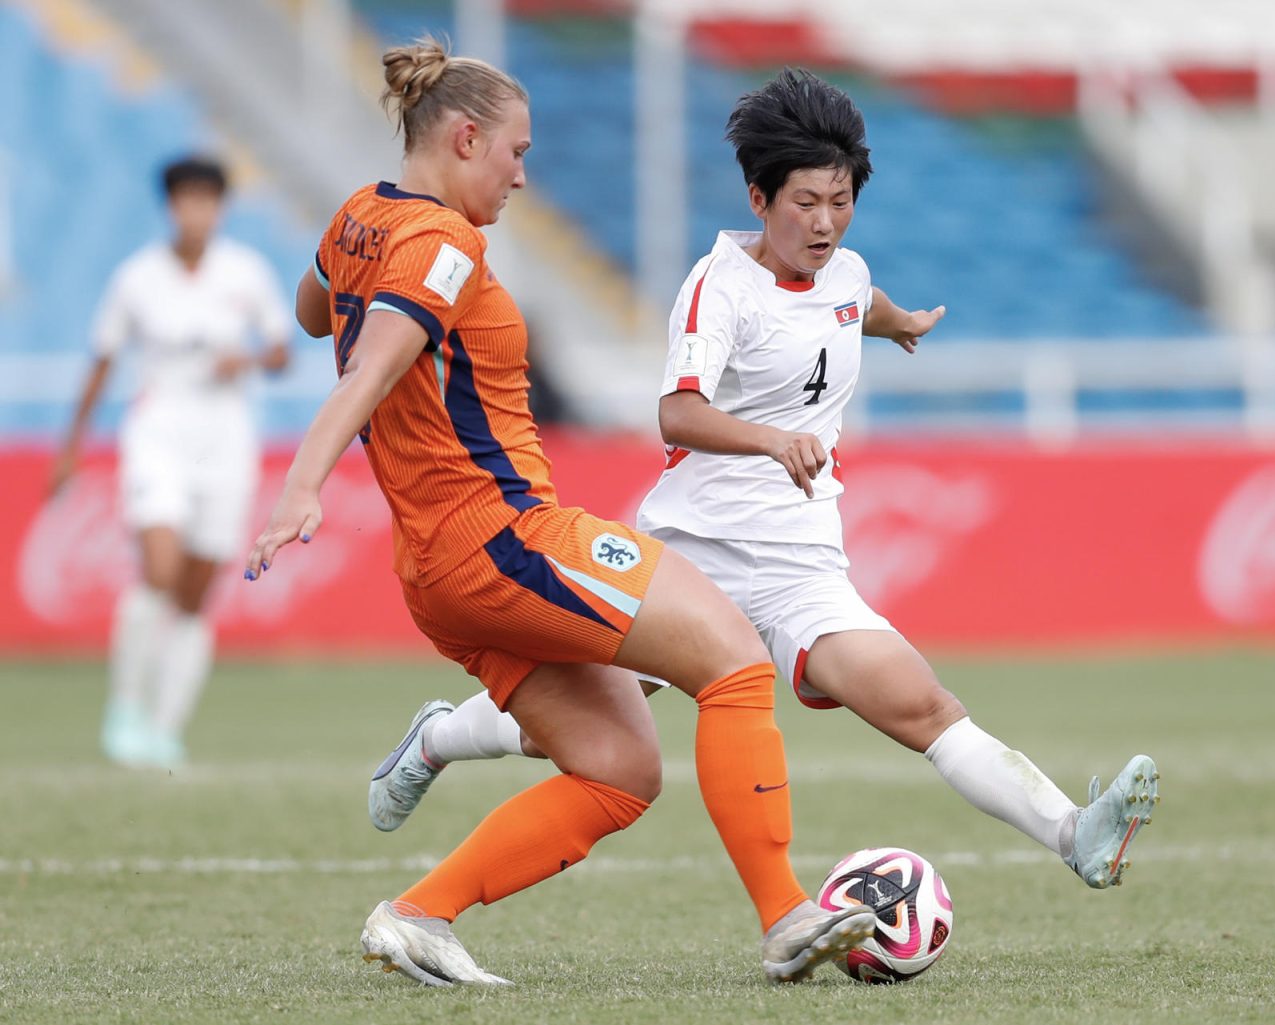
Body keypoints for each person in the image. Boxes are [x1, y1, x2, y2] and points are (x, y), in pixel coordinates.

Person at [382, 68, 1160, 892]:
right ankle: (437, 738)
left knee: (921, 706)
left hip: (800, 563)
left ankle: (1075, 833)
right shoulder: (719, 288)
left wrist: (905, 324)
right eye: (805, 202)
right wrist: (770, 440)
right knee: (560, 730)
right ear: (759, 198)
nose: (825, 223)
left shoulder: (848, 275)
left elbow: (861, 301)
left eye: (841, 200)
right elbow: (676, 414)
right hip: (691, 554)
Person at [246, 39, 875, 987]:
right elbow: (373, 365)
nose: (523, 177)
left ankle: (417, 915)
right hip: (505, 538)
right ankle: (787, 914)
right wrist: (301, 486)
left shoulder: (360, 219)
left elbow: (313, 311)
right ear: (464, 139)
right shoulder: (447, 246)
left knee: (621, 769)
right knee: (737, 659)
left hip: (435, 572)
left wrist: (358, 265)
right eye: (515, 153)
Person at [51, 155, 291, 770]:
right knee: (158, 569)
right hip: (157, 433)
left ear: (221, 208)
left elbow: (282, 351)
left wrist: (252, 360)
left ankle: (164, 727)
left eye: (208, 200)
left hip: (226, 443)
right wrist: (73, 443)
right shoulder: (137, 278)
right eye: (187, 200)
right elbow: (102, 359)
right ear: (170, 206)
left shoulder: (246, 272)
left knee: (195, 593)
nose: (197, 212)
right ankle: (125, 706)